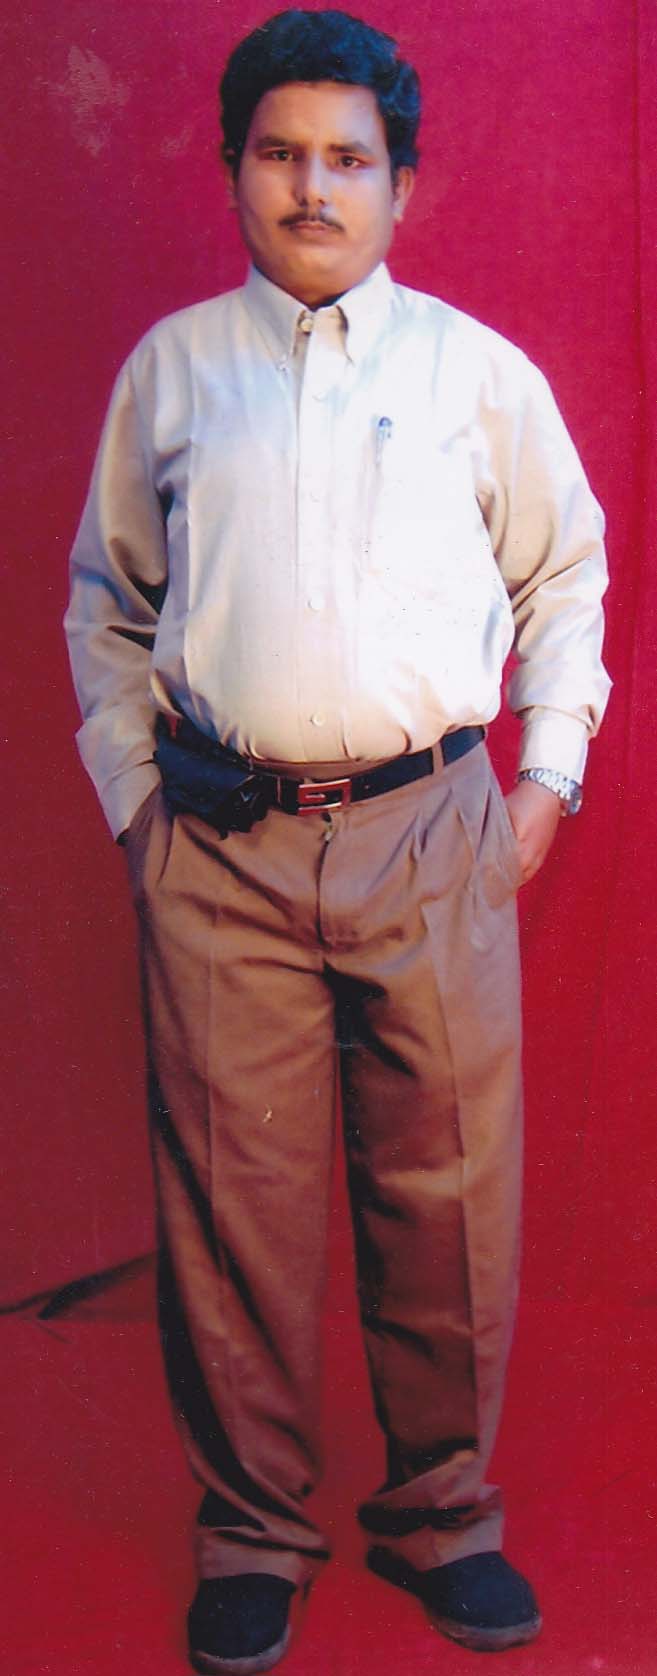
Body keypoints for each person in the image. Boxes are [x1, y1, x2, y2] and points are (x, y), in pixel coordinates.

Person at [64, 10, 610, 1672]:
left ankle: (443, 1519)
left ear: (401, 185)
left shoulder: (473, 377)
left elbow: (564, 575)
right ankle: (252, 1535)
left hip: (431, 832)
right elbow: (107, 602)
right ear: (233, 169)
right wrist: (135, 801)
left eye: (348, 160)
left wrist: (544, 780)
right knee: (234, 1207)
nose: (314, 188)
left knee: (446, 1197)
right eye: (280, 154)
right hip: (220, 841)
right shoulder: (172, 373)